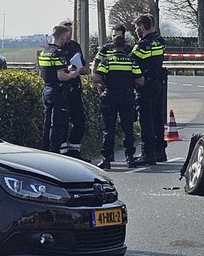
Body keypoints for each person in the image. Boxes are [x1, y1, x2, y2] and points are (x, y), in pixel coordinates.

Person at [92, 34, 144, 170]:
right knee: (127, 128)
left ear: (113, 47)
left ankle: (107, 159)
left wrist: (103, 85)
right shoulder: (131, 62)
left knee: (108, 128)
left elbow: (96, 78)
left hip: (110, 96)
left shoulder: (107, 61)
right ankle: (130, 158)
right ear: (125, 47)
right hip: (127, 97)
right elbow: (140, 81)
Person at [37, 24, 80, 153]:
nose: (65, 41)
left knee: (47, 122)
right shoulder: (58, 53)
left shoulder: (44, 52)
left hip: (47, 90)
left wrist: (68, 68)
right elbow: (61, 77)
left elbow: (44, 72)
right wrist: (74, 73)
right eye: (65, 38)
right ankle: (54, 151)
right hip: (58, 92)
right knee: (57, 124)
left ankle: (44, 149)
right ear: (62, 37)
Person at [132, 14, 166, 164]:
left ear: (141, 27)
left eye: (136, 28)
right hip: (157, 84)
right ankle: (160, 151)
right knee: (157, 118)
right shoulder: (158, 43)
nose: (135, 31)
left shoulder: (142, 46)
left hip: (145, 86)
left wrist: (138, 77)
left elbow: (130, 62)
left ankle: (147, 154)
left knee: (146, 120)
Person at [58, 20, 90, 160]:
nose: (69, 34)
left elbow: (83, 66)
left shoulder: (75, 46)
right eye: (66, 31)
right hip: (62, 90)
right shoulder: (57, 49)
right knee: (63, 121)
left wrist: (82, 69)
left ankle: (75, 150)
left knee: (79, 121)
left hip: (75, 88)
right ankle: (63, 153)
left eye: (71, 31)